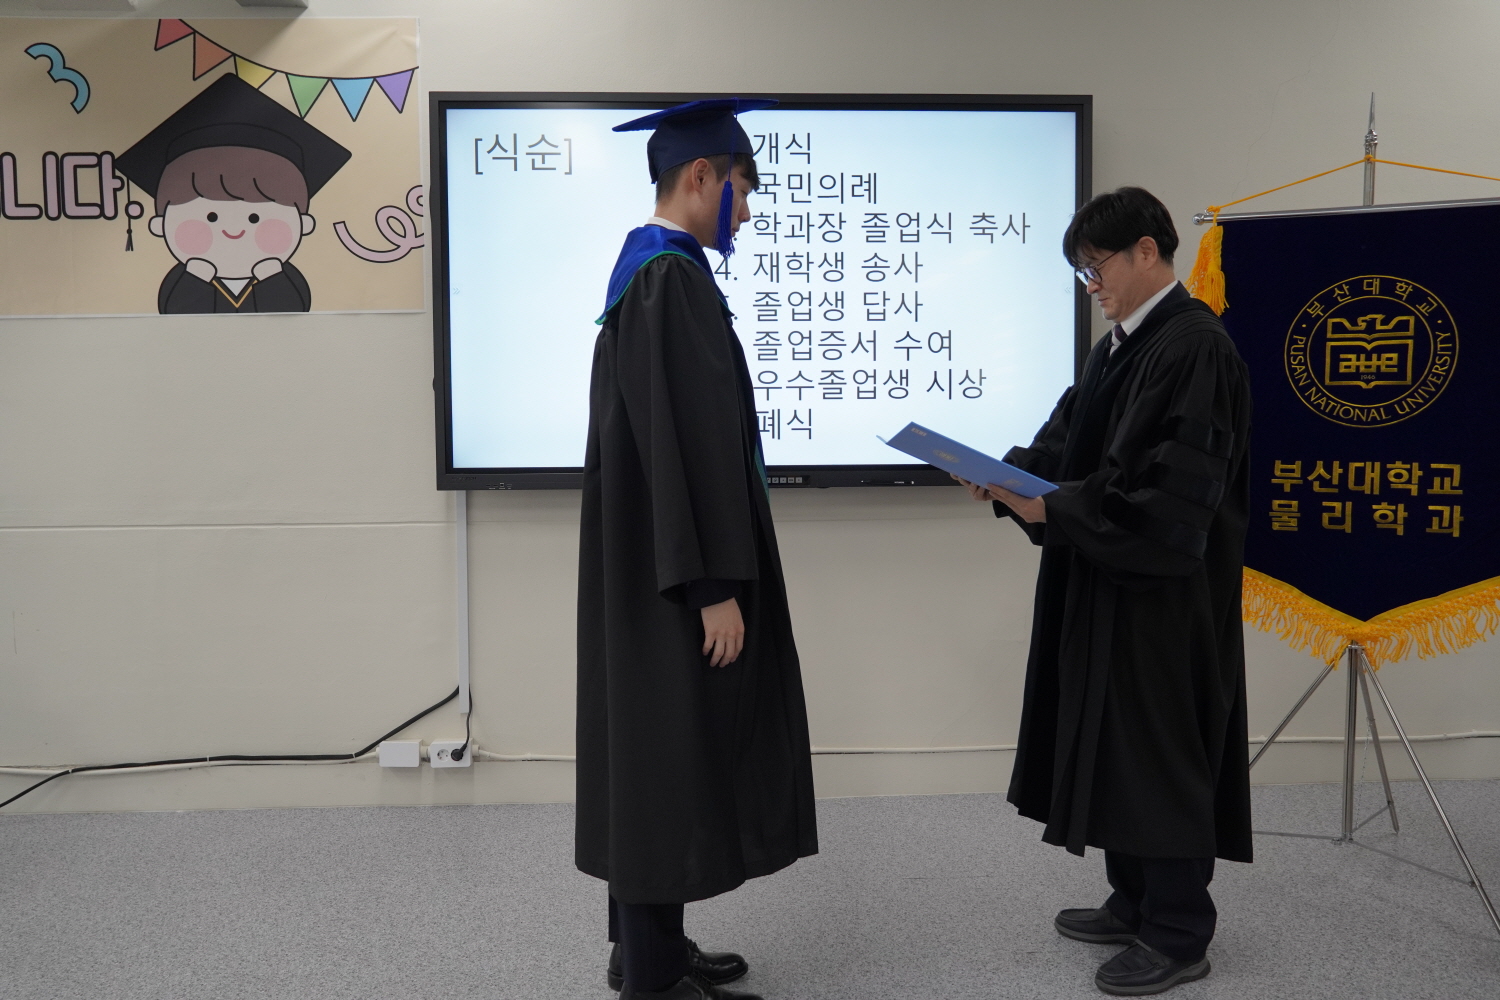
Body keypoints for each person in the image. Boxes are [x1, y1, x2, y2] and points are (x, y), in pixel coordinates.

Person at [958, 187, 1253, 995]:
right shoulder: (1118, 346)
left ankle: (1179, 931)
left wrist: (1055, 506)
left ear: (1148, 252)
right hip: (1105, 578)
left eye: (1097, 268)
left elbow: (1172, 498)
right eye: (1082, 273)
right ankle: (1134, 901)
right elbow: (1070, 446)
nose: (1092, 285)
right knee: (1116, 747)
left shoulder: (1198, 348)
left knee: (1159, 754)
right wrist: (1008, 475)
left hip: (1164, 594)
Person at [576, 99, 819, 1000]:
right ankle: (652, 976)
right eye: (743, 191)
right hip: (678, 575)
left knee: (657, 753)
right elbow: (682, 447)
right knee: (666, 759)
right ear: (701, 176)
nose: (745, 215)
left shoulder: (652, 275)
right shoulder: (668, 281)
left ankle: (652, 948)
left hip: (653, 566)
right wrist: (714, 585)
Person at [115, 74, 351, 313]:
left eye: (254, 218)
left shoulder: (283, 277)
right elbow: (176, 313)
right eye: (211, 217)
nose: (234, 230)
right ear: (160, 225)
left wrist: (272, 278)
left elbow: (293, 311)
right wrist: (196, 278)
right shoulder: (184, 279)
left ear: (303, 224)